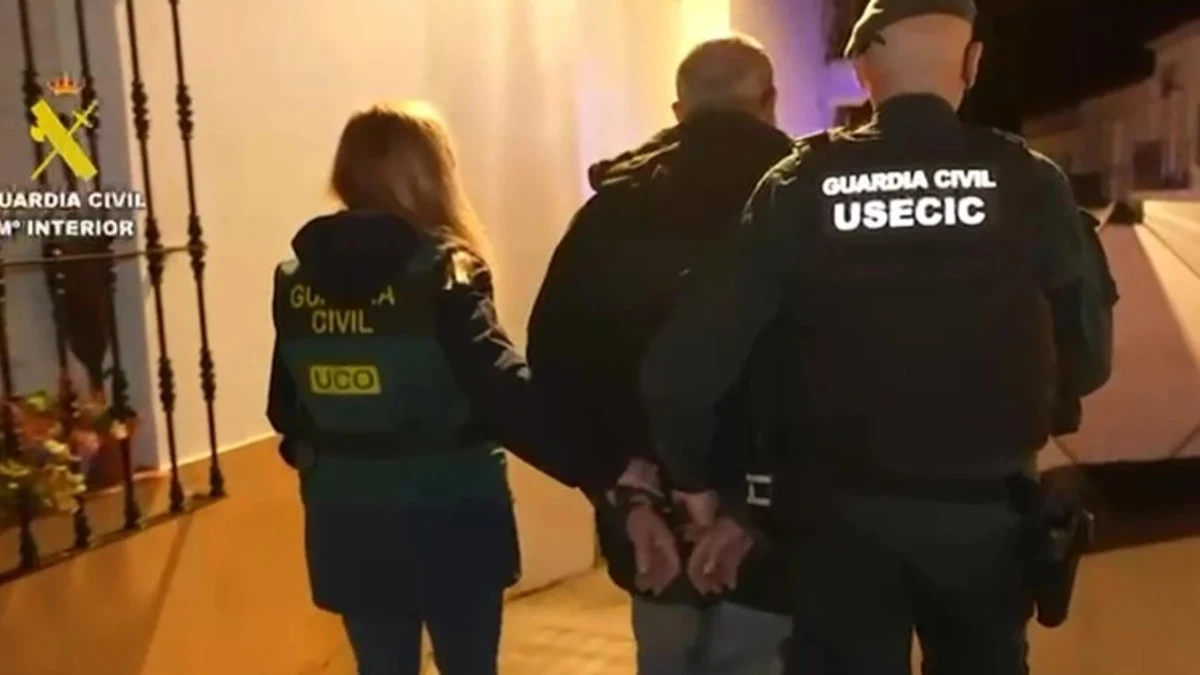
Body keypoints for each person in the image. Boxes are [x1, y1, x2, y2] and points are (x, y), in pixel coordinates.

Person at [638, 2, 1115, 674]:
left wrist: (695, 479)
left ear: (862, 70)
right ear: (973, 64)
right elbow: (1090, 360)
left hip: (839, 525)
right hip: (987, 523)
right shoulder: (1031, 183)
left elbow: (682, 371)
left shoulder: (798, 185)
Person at [265, 101, 629, 675]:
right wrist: (603, 466)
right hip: (450, 510)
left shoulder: (296, 280)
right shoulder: (444, 271)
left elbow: (285, 408)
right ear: (431, 174)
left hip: (347, 516)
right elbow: (500, 389)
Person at [527, 35, 793, 675]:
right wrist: (754, 502)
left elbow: (555, 362)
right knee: (757, 655)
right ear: (770, 102)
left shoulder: (613, 207)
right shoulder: (799, 199)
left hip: (653, 513)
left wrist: (624, 486)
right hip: (775, 513)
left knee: (666, 654)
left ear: (679, 112)